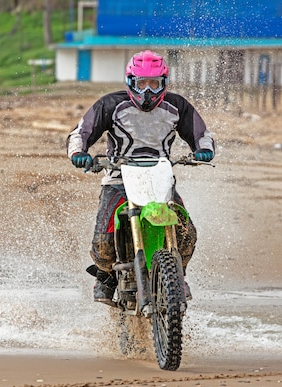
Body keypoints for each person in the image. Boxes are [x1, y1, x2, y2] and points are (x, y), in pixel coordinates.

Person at [66, 50, 215, 305]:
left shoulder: (177, 106)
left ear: (164, 83)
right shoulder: (111, 104)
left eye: (154, 83)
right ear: (130, 82)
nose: (148, 91)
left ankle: (178, 274)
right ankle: (105, 277)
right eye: (142, 83)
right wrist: (79, 153)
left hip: (161, 177)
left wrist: (204, 150)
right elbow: (80, 133)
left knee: (188, 233)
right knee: (102, 240)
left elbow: (202, 134)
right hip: (118, 178)